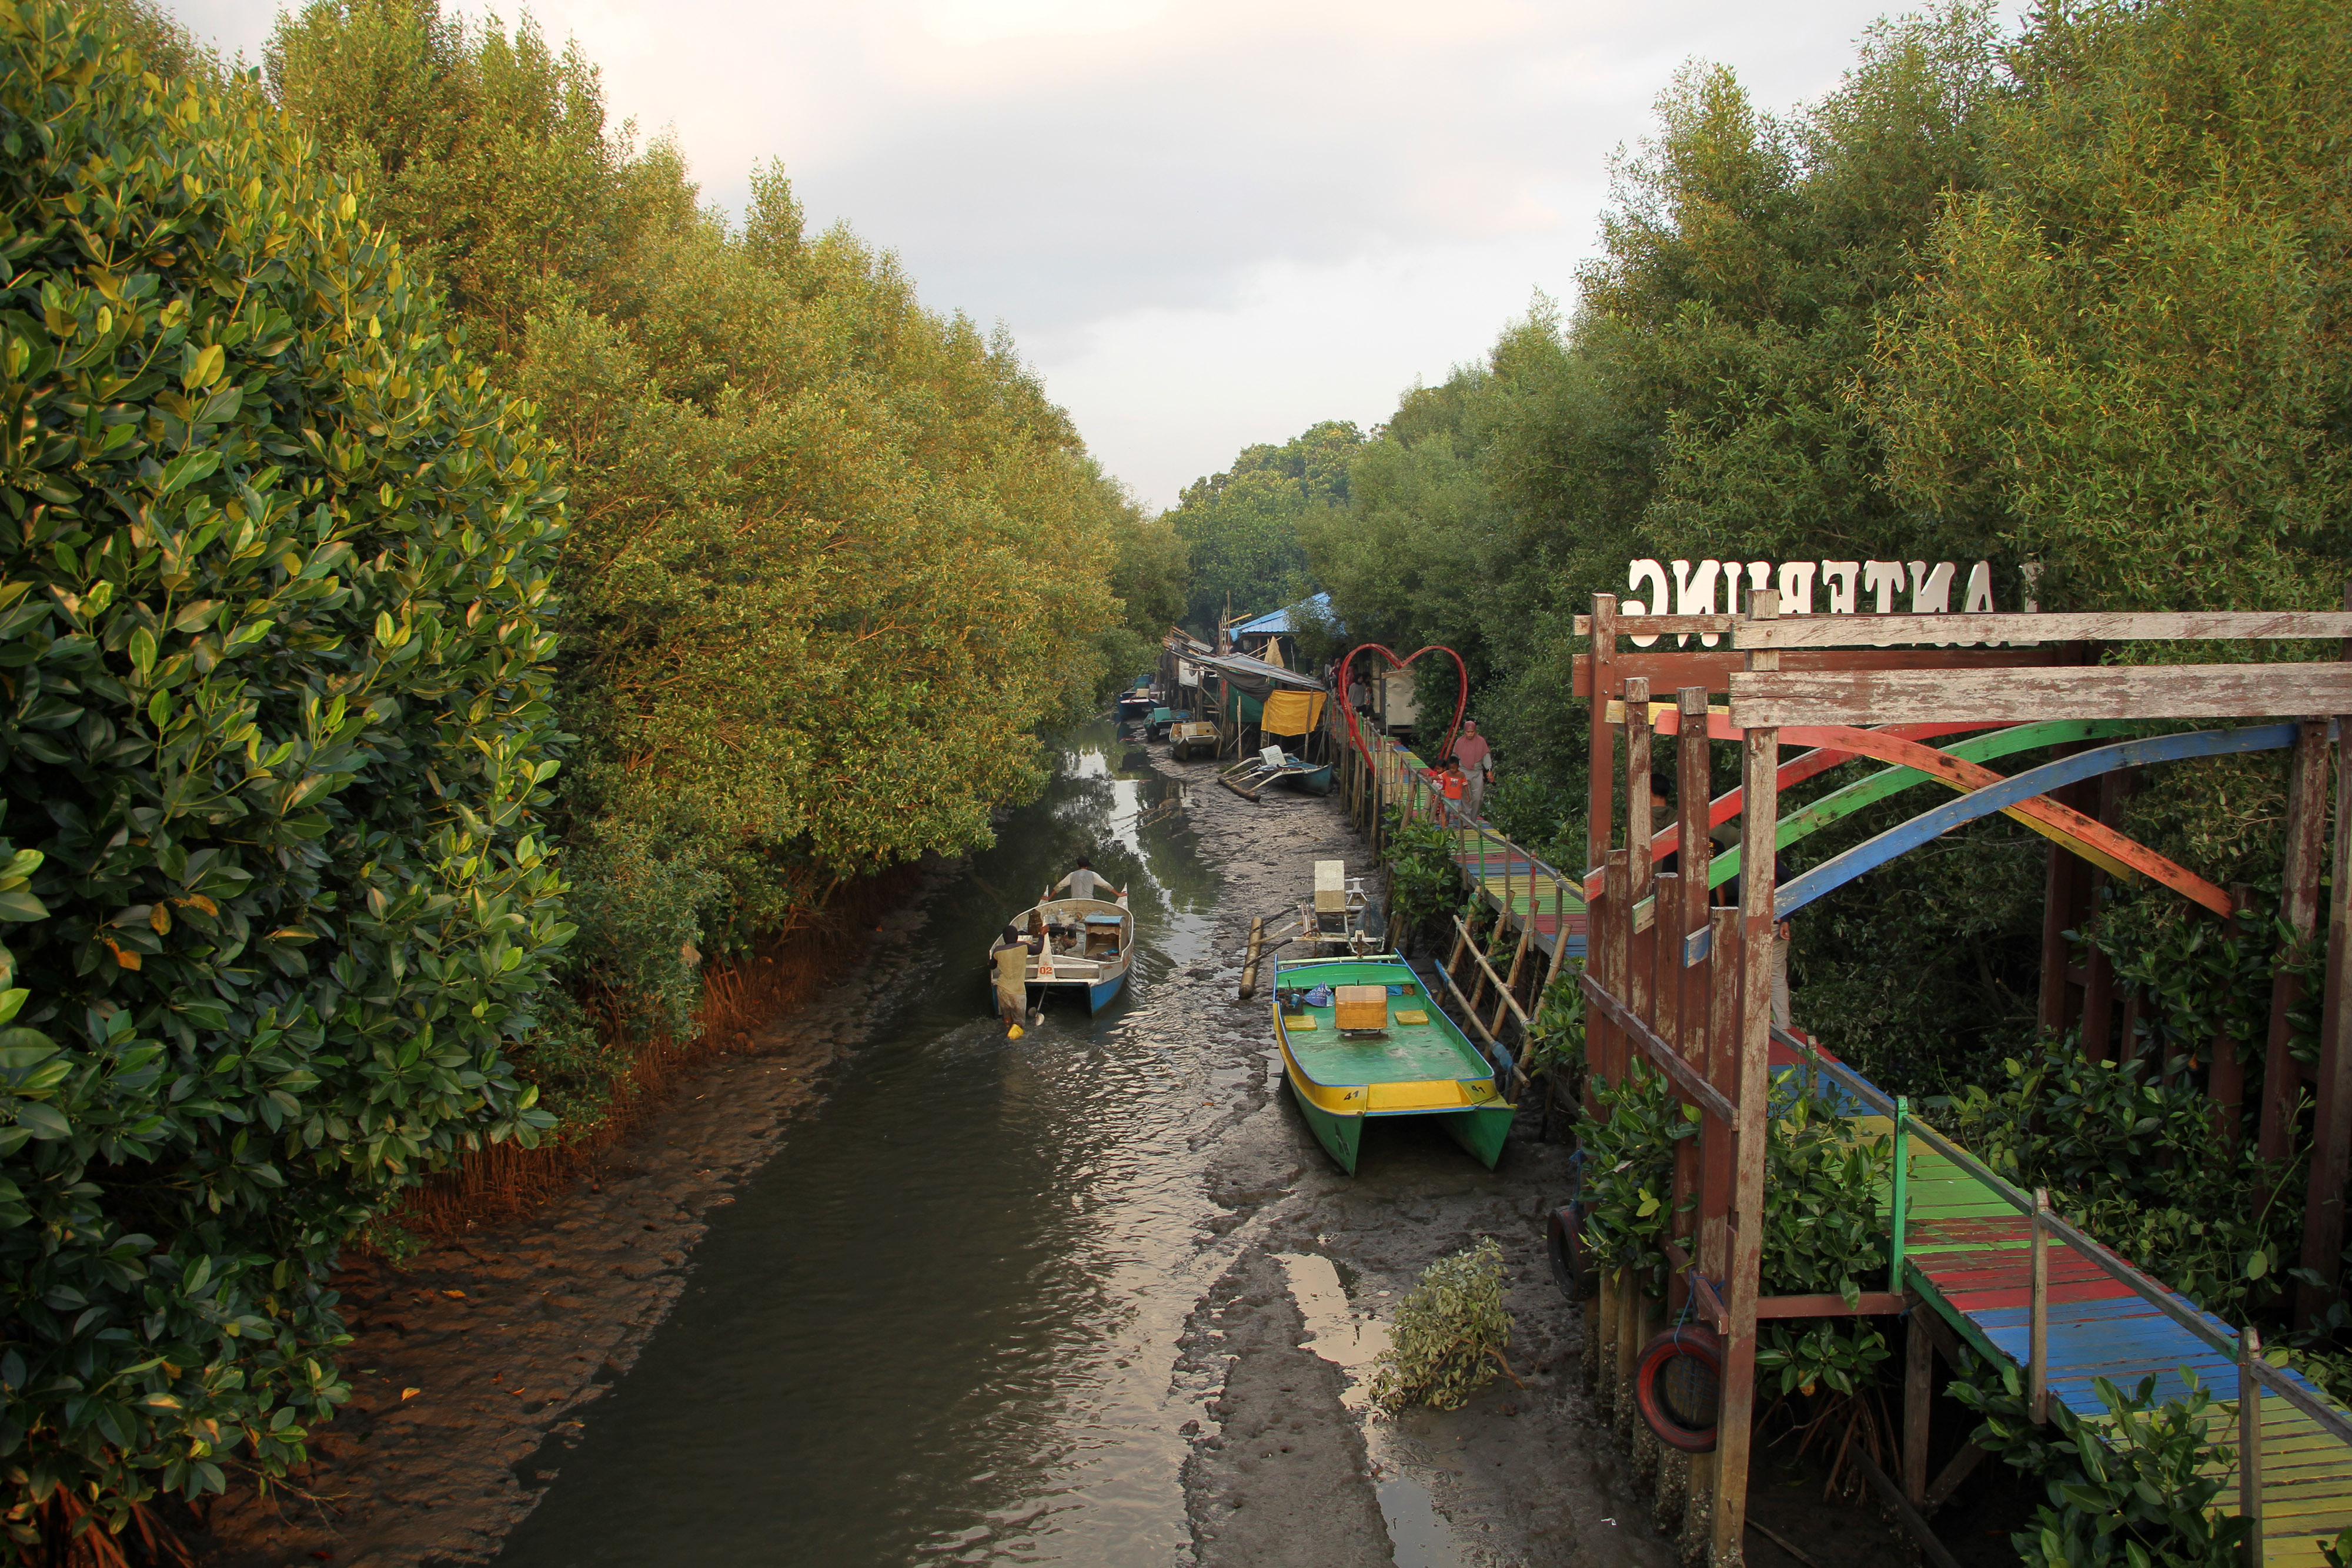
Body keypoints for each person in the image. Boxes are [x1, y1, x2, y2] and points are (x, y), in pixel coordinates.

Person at [989, 924, 1042, 1036]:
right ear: (1017, 937)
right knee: (1019, 1022)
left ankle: (1007, 1029)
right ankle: (1013, 1040)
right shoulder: (1023, 947)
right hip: (1017, 992)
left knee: (1007, 1016)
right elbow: (1038, 949)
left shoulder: (997, 951)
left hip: (1002, 989)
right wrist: (1042, 935)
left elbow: (992, 966)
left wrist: (988, 963)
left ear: (1004, 938)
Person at [1451, 721, 1494, 821]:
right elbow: (1454, 758)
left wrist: (1489, 770)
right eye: (1468, 732)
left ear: (1475, 731)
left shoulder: (1481, 741)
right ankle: (1467, 819)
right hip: (1463, 771)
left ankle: (1473, 818)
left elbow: (1486, 756)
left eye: (1472, 732)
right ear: (1465, 731)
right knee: (1465, 796)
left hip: (1477, 771)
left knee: (1478, 798)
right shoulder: (1459, 742)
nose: (1470, 734)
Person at [1051, 857, 1121, 902]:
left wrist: (1049, 897)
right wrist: (1118, 894)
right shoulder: (1093, 875)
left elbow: (1060, 886)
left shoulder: (1072, 875)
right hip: (1088, 901)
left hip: (1075, 901)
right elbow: (1105, 885)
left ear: (1078, 866)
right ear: (1087, 866)